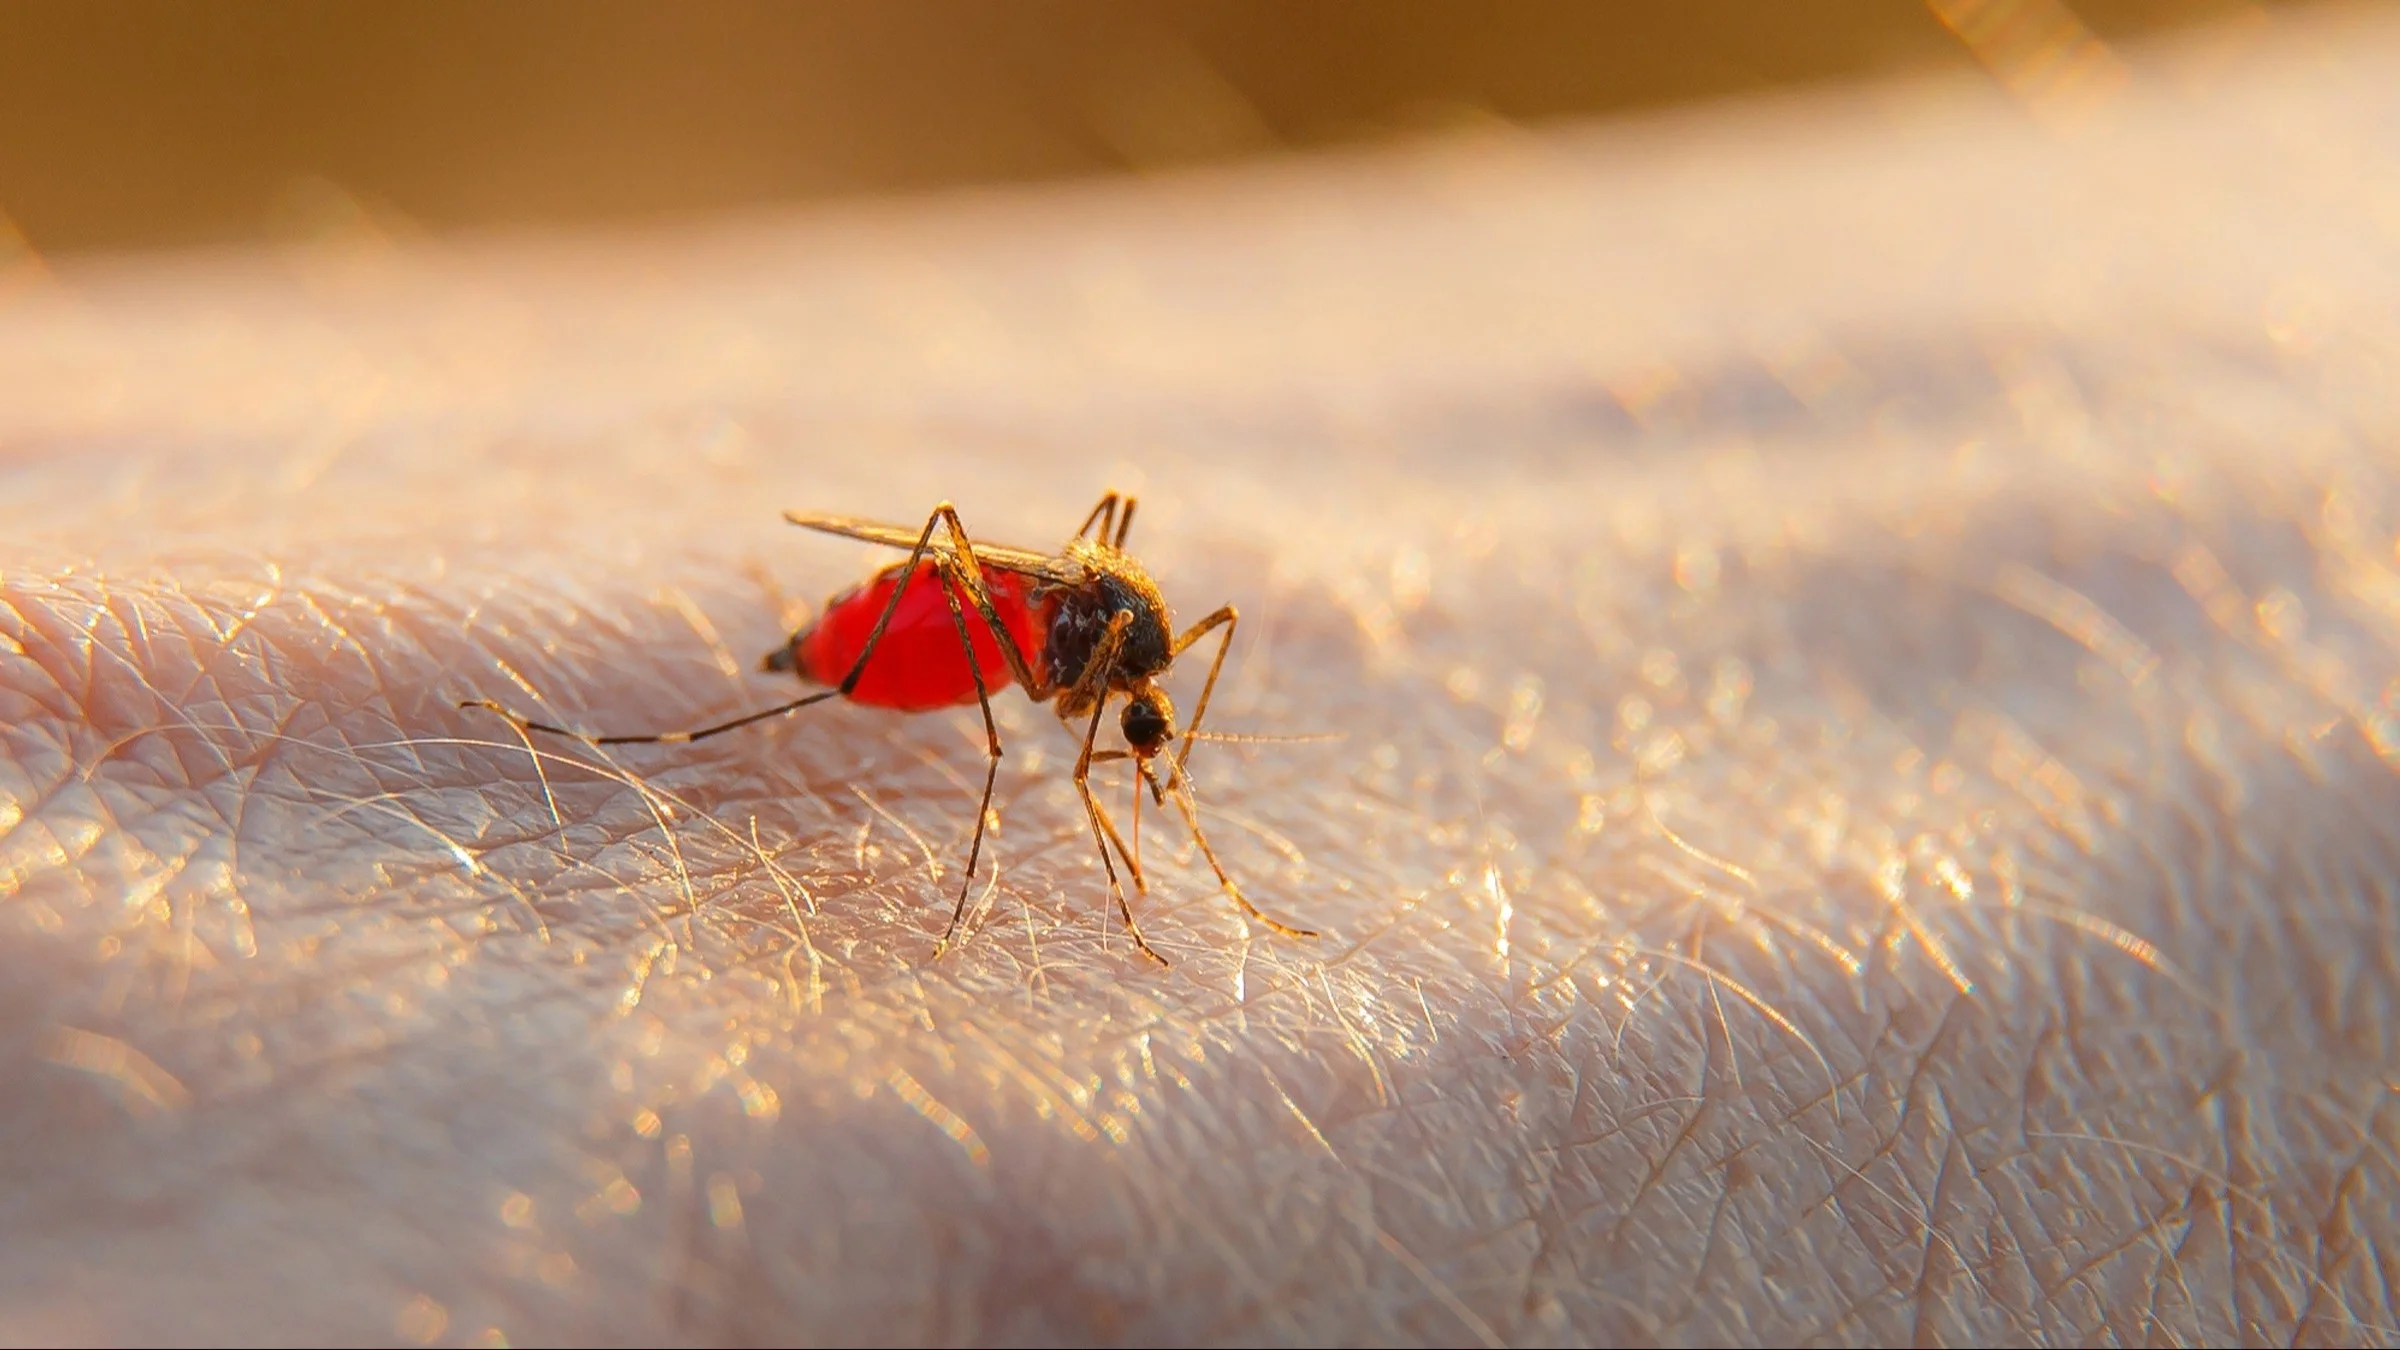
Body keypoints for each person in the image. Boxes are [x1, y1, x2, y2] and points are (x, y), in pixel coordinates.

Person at [2, 18, 2395, 1343]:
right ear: (1105, 696)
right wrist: (954, 703)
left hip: (972, 625)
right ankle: (776, 712)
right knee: (992, 647)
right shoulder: (1058, 644)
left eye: (1132, 734)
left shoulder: (1138, 651)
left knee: (1085, 611)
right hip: (907, 629)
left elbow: (1128, 653)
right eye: (1131, 733)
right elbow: (1040, 616)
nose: (1133, 733)